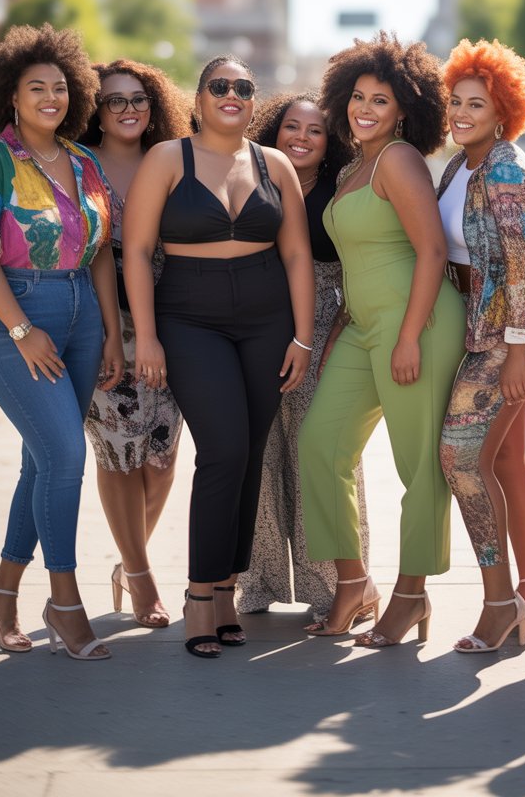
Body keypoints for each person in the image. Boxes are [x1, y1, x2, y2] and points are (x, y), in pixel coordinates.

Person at [123, 55, 314, 658]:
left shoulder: (274, 163)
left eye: (243, 87)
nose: (232, 95)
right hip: (189, 318)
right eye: (219, 86)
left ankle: (228, 589)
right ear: (199, 98)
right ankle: (200, 594)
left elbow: (297, 257)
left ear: (253, 101)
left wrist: (302, 337)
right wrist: (148, 336)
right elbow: (135, 251)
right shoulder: (165, 159)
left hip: (266, 320)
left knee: (251, 453)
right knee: (223, 449)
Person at [298, 33, 466, 647]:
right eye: (359, 97)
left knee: (418, 466)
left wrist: (409, 336)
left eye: (382, 101)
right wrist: (348, 316)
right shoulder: (352, 168)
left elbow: (432, 250)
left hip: (416, 325)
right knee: (320, 444)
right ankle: (353, 583)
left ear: (405, 111)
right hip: (363, 326)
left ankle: (412, 595)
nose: (365, 109)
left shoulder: (398, 159)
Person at [0, 24, 124, 661]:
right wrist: (22, 331)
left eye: (60, 87)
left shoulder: (83, 162)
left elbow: (103, 254)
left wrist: (111, 331)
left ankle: (3, 592)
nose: (51, 98)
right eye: (37, 88)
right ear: (12, 96)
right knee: (64, 457)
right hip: (14, 313)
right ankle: (63, 601)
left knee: (44, 460)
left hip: (83, 312)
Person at [437, 39, 525, 653]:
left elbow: (524, 271)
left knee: (460, 460)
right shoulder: (462, 164)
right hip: (478, 331)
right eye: (455, 100)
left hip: (511, 336)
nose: (460, 113)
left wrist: (514, 353)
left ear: (502, 110)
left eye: (475, 105)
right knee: (501, 460)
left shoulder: (507, 169)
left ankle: (499, 602)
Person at [238, 92, 371, 620]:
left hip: (325, 326)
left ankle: (335, 586)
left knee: (322, 456)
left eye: (314, 130)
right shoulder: (252, 182)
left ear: (329, 140)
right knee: (261, 454)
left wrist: (341, 322)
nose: (301, 137)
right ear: (275, 130)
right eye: (291, 126)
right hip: (257, 323)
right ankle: (258, 583)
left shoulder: (341, 190)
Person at [80, 59, 192, 628]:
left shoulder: (172, 157)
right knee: (118, 454)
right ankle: (143, 579)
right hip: (104, 326)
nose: (128, 109)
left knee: (163, 459)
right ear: (94, 111)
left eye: (138, 98)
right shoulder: (80, 165)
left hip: (172, 320)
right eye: (114, 100)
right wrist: (110, 337)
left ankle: (131, 561)